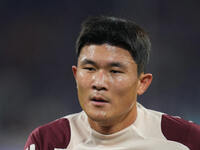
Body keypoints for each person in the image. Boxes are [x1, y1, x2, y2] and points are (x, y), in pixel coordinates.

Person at [24, 16, 200, 150]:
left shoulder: (185, 140)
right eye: (90, 69)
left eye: (115, 71)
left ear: (142, 83)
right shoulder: (47, 142)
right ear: (76, 76)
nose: (99, 83)